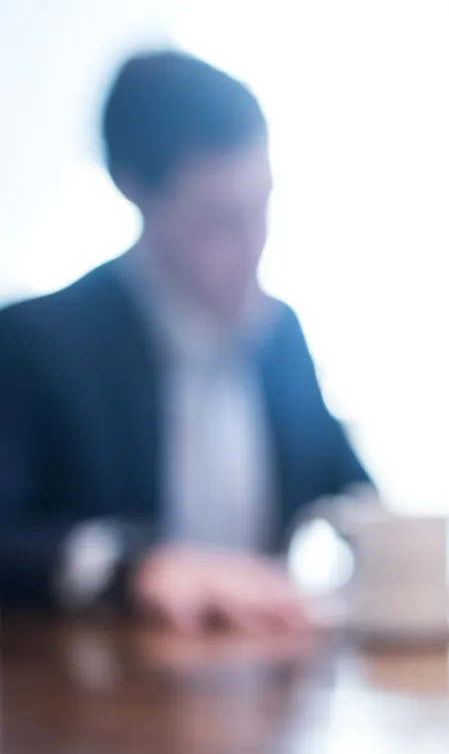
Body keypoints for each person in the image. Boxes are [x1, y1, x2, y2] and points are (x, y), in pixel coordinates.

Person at [0, 51, 370, 631]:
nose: (254, 245)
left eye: (262, 208)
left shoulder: (278, 337)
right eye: (222, 220)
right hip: (100, 705)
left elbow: (355, 501)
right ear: (135, 190)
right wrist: (134, 568)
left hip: (267, 696)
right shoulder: (39, 345)